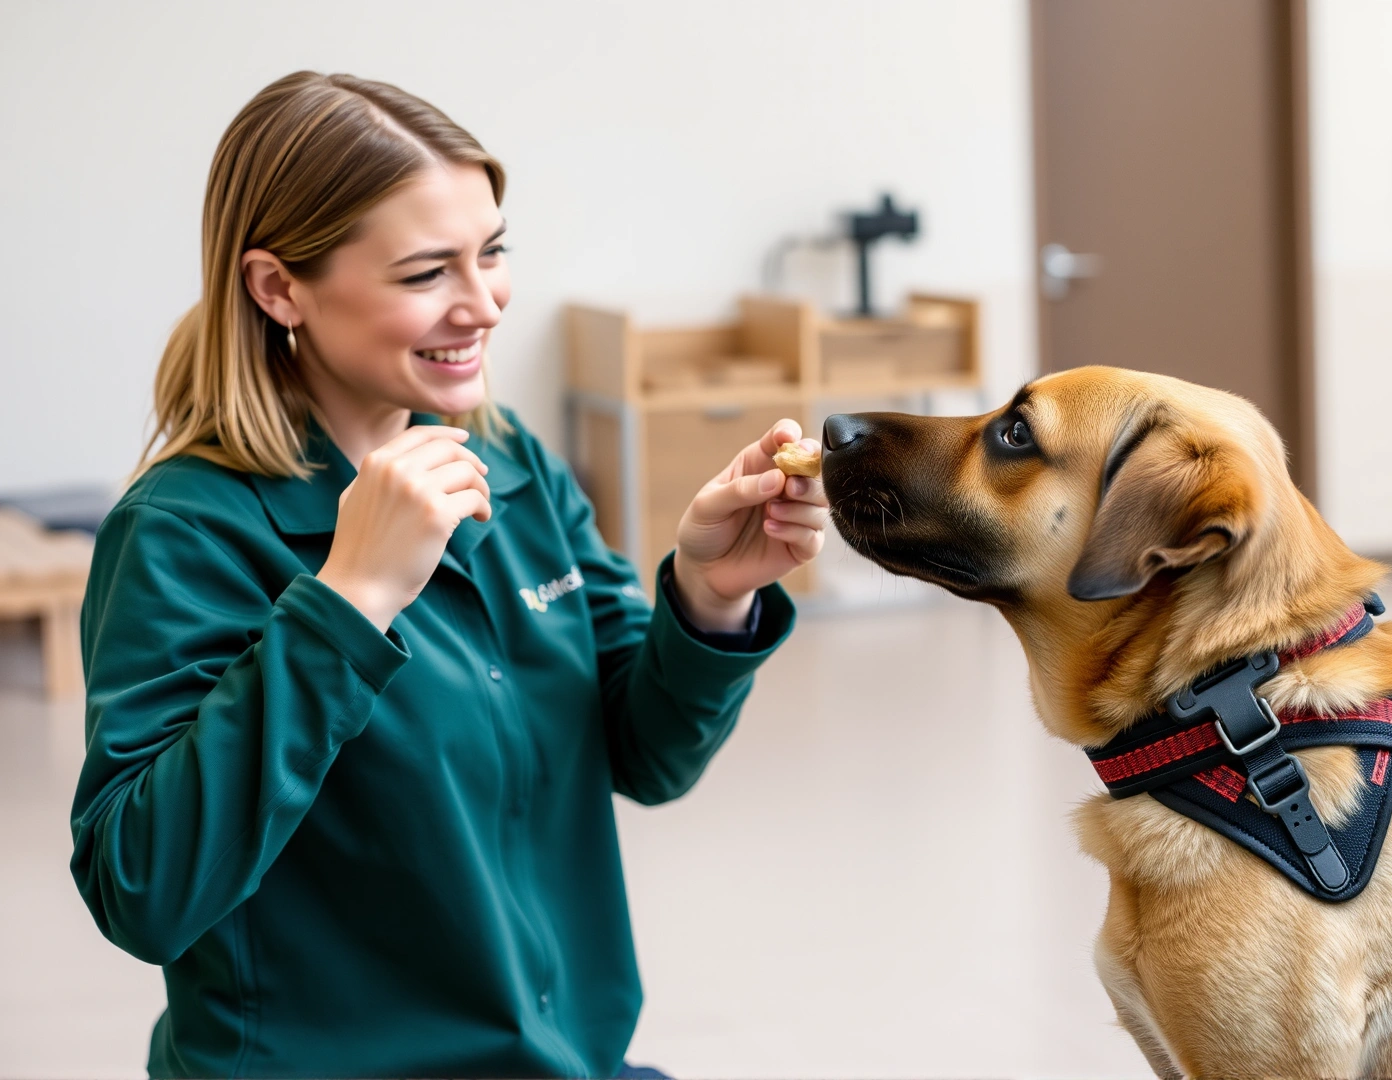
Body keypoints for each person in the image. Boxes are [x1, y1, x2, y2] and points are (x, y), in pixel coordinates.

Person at [69, 71, 826, 1078]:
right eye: (428, 273)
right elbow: (141, 887)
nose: (485, 306)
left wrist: (708, 596)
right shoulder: (185, 531)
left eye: (494, 253)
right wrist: (348, 602)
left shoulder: (511, 467)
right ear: (277, 287)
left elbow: (648, 758)